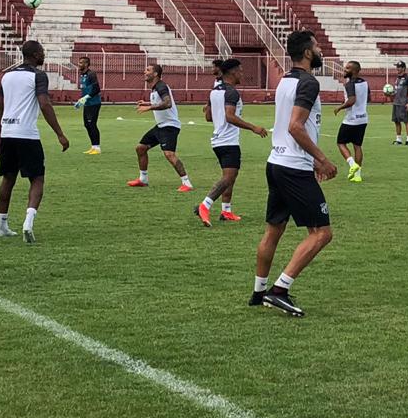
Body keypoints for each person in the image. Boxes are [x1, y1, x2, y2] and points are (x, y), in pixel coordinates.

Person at [253, 30, 337, 317]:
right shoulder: (308, 82)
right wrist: (322, 160)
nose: (320, 49)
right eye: (316, 45)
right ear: (307, 53)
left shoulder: (284, 81)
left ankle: (258, 291)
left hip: (276, 163)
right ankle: (279, 290)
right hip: (293, 168)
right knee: (322, 233)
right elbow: (296, 126)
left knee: (274, 230)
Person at [0, 39, 69, 243]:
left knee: (8, 178)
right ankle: (28, 222)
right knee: (37, 179)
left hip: (8, 133)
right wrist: (60, 133)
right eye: (42, 52)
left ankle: (2, 226)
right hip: (27, 134)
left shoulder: (6, 76)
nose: (44, 55)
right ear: (35, 55)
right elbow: (44, 104)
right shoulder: (38, 76)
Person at [195, 58, 267, 226]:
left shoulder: (214, 91)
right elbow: (230, 116)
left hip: (217, 140)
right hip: (228, 142)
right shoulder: (232, 92)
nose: (242, 74)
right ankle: (204, 205)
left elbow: (208, 117)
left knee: (230, 177)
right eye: (240, 71)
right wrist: (253, 128)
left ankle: (226, 211)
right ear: (233, 72)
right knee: (228, 178)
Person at [128, 63, 193, 192]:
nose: (144, 72)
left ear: (155, 74)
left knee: (169, 154)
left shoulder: (161, 86)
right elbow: (160, 102)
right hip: (161, 126)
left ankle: (187, 183)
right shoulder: (155, 88)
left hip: (170, 127)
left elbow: (167, 103)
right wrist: (147, 103)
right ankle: (143, 179)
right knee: (140, 148)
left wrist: (149, 107)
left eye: (148, 70)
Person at [335, 60, 369, 182]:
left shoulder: (350, 84)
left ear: (354, 71)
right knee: (357, 146)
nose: (345, 69)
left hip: (351, 119)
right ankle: (358, 175)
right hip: (363, 118)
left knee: (340, 143)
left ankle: (352, 164)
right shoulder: (365, 83)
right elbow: (367, 98)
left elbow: (352, 100)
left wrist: (340, 107)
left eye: (348, 68)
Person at [73, 56, 103, 155]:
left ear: (86, 64)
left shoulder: (91, 74)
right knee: (87, 125)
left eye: (81, 62)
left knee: (92, 124)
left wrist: (86, 98)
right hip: (87, 104)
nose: (79, 64)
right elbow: (85, 89)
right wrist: (80, 101)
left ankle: (97, 147)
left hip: (94, 103)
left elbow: (96, 89)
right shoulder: (82, 75)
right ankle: (93, 146)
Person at [391, 60, 408, 145]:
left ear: (403, 68)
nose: (397, 68)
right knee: (396, 121)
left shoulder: (407, 78)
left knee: (406, 121)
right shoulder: (397, 78)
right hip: (396, 102)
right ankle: (398, 139)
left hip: (403, 103)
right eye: (396, 67)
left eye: (399, 67)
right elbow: (396, 90)